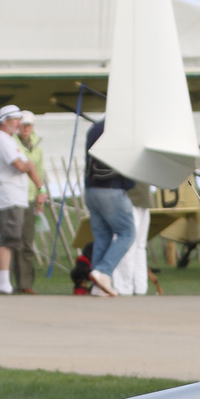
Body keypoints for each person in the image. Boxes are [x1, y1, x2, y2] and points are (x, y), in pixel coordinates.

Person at [0, 104, 44, 295]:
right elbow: (21, 165)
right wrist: (27, 165)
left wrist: (38, 183)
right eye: (15, 119)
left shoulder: (9, 140)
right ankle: (3, 283)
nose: (19, 123)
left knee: (11, 240)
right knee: (8, 240)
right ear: (4, 122)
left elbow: (28, 165)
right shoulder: (2, 140)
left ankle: (4, 282)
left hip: (15, 196)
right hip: (8, 196)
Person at [84, 117, 133, 296]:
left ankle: (99, 287)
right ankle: (104, 271)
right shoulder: (123, 128)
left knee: (102, 236)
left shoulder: (95, 128)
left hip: (91, 189)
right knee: (127, 233)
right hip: (112, 189)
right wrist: (129, 184)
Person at [15, 111, 49, 293]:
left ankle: (25, 283)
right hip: (15, 196)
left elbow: (40, 170)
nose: (26, 128)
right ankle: (9, 282)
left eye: (29, 125)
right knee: (12, 241)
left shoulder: (37, 145)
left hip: (30, 197)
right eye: (23, 124)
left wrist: (41, 194)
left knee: (27, 242)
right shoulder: (11, 142)